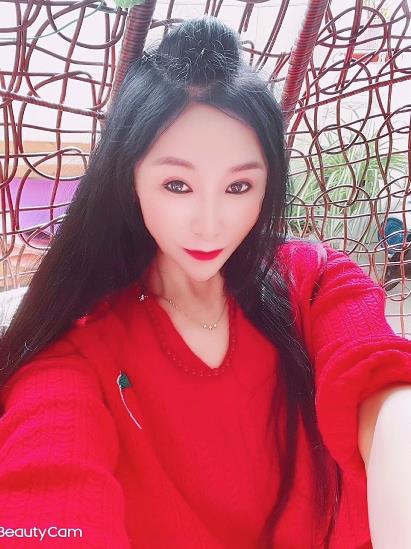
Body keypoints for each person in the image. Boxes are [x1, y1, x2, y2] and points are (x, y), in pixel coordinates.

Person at [0, 15, 410, 549]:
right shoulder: (76, 351)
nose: (210, 224)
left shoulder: (311, 282)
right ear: (129, 179)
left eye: (239, 186)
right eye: (178, 184)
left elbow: (383, 390)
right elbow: (45, 491)